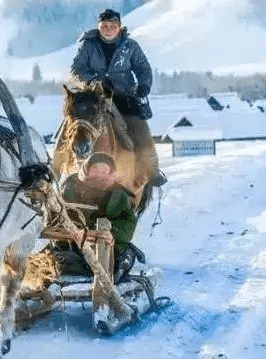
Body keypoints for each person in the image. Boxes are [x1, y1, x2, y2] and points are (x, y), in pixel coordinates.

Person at [71, 8, 166, 187]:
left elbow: (143, 68)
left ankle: (151, 170)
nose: (108, 29)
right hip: (94, 97)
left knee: (141, 131)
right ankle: (61, 166)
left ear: (119, 27)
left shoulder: (130, 46)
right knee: (74, 126)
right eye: (104, 25)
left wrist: (144, 85)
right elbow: (76, 70)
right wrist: (94, 80)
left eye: (112, 26)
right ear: (99, 27)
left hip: (124, 96)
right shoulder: (88, 45)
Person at [56, 153, 144, 282]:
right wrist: (72, 234)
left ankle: (115, 267)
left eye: (102, 180)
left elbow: (126, 221)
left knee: (122, 259)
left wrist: (113, 234)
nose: (96, 185)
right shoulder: (68, 190)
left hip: (107, 247)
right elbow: (55, 220)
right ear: (83, 174)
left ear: (112, 176)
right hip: (74, 247)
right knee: (53, 260)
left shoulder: (118, 195)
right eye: (92, 180)